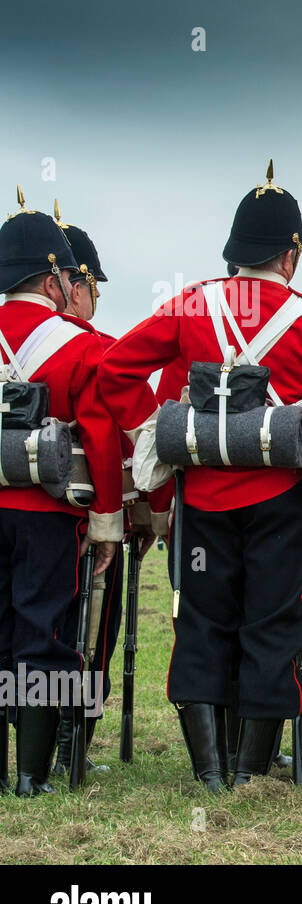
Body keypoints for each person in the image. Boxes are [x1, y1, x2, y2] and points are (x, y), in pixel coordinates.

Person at [98, 162, 302, 792]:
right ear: (290, 254)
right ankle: (250, 772)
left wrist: (155, 433)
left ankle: (209, 771)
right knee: (274, 622)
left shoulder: (190, 303)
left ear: (234, 250)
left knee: (202, 622)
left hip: (202, 497)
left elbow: (114, 371)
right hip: (282, 498)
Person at [0, 191, 122, 796]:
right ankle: (31, 776)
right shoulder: (84, 345)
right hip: (50, 514)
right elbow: (100, 436)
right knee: (43, 635)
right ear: (53, 278)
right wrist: (105, 522)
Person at [47, 208, 158, 778]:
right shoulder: (102, 349)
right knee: (93, 633)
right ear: (76, 284)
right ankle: (74, 744)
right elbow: (126, 447)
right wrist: (140, 518)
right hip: (90, 514)